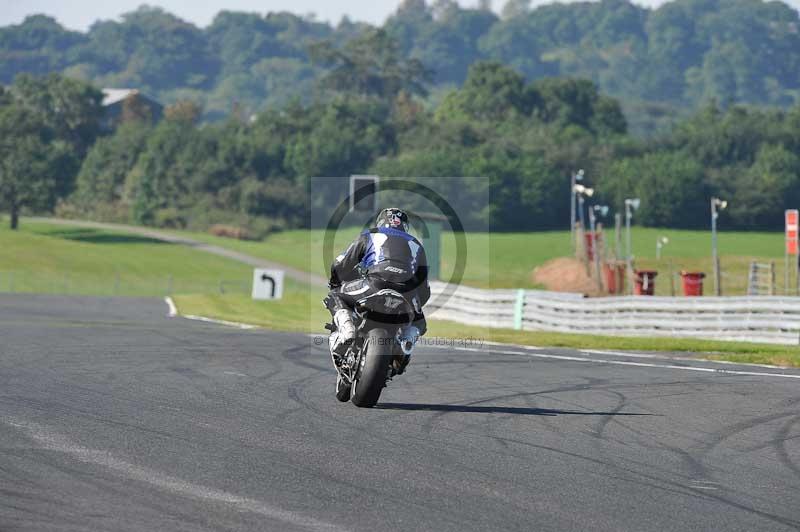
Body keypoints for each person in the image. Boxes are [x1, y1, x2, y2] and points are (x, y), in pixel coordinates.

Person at [324, 208, 430, 369]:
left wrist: (335, 282)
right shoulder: (417, 245)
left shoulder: (370, 234)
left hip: (374, 283)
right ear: (405, 226)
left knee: (336, 295)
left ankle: (347, 330)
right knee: (419, 322)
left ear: (380, 222)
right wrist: (415, 303)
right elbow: (424, 288)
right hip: (407, 292)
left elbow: (341, 264)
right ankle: (405, 344)